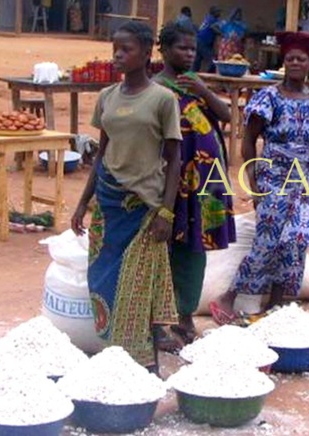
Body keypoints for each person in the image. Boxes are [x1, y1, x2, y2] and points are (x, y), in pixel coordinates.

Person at [70, 22, 182, 370]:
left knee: (137, 289)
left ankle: (146, 366)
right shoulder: (107, 97)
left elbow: (174, 157)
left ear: (147, 53)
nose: (118, 55)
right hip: (108, 202)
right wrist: (82, 201)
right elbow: (102, 153)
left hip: (144, 207)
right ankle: (116, 362)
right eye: (115, 48)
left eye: (126, 49)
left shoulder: (163, 99)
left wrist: (167, 211)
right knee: (102, 279)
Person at [211, 31, 309, 323]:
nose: (295, 63)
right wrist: (254, 181)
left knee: (295, 244)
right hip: (273, 179)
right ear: (284, 62)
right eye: (290, 58)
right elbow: (248, 140)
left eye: (301, 59)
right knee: (267, 242)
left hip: (308, 182)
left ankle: (277, 306)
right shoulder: (268, 97)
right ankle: (227, 299)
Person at [154, 22, 236, 343]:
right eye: (181, 48)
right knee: (172, 249)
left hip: (207, 183)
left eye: (192, 48)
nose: (189, 54)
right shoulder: (157, 88)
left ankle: (185, 317)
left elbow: (226, 117)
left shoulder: (196, 83)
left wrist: (202, 90)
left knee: (195, 249)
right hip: (175, 182)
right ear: (163, 49)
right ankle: (168, 319)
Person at [194, 6, 222, 72]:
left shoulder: (207, 18)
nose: (219, 13)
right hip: (203, 42)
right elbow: (214, 28)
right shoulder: (212, 19)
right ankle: (210, 74)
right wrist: (222, 34)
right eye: (218, 12)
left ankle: (193, 74)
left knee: (197, 60)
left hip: (199, 41)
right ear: (213, 12)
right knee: (210, 59)